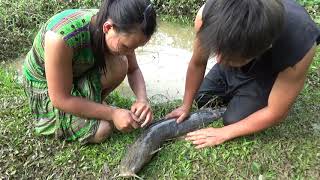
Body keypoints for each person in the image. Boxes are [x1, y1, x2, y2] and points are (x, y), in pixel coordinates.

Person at [166, 0, 320, 149]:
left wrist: (224, 133)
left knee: (233, 120)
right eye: (217, 52)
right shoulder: (208, 16)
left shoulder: (299, 43)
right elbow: (198, 62)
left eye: (228, 58)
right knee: (201, 97)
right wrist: (186, 105)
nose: (217, 60)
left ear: (265, 48)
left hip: (268, 69)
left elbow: (276, 112)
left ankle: (258, 86)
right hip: (241, 51)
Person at [22, 0, 157, 144]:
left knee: (121, 63)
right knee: (102, 129)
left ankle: (92, 104)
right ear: (108, 27)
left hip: (75, 73)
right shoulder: (60, 39)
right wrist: (112, 113)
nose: (130, 52)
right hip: (46, 87)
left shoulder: (119, 25)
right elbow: (60, 99)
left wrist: (142, 99)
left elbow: (133, 69)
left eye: (135, 47)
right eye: (126, 46)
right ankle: (92, 108)